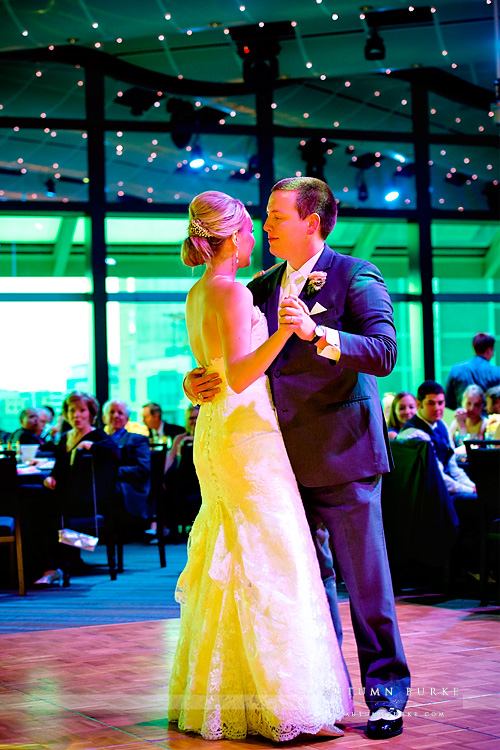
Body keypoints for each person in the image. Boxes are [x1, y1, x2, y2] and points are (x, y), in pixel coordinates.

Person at [183, 178, 410, 741]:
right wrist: (199, 380)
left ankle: (386, 696)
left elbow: (383, 353)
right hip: (273, 461)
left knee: (366, 585)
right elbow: (237, 358)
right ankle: (320, 693)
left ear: (312, 221)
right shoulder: (255, 285)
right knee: (307, 585)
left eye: (277, 217)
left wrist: (319, 332)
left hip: (342, 454)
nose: (265, 226)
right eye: (263, 217)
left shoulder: (356, 275)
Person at [168, 189, 352, 742]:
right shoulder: (226, 290)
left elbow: (212, 368)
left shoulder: (200, 292)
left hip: (221, 431)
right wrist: (286, 333)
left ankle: (231, 693)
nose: (258, 236)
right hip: (245, 436)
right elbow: (242, 373)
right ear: (233, 235)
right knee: (273, 555)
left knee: (234, 553)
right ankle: (285, 704)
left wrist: (194, 380)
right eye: (253, 227)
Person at [36, 391, 119, 585]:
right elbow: (58, 468)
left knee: (42, 513)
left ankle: (56, 566)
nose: (77, 415)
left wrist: (92, 446)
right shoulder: (66, 437)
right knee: (33, 502)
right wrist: (51, 478)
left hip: (87, 500)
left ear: (91, 413)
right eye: (72, 411)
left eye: (82, 410)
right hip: (65, 497)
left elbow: (115, 454)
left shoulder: (98, 436)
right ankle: (63, 562)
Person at [103, 399, 151, 520]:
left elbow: (142, 469)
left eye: (120, 413)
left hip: (130, 488)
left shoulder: (138, 440)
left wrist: (110, 473)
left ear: (127, 419)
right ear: (104, 418)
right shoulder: (99, 440)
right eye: (112, 412)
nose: (115, 416)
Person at [163, 404, 200, 540]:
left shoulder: (208, 436)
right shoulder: (180, 438)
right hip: (182, 479)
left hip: (199, 479)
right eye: (191, 418)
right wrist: (161, 477)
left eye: (197, 417)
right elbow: (170, 458)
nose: (194, 421)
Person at [445, 332, 500, 410]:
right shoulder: (497, 372)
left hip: (462, 419)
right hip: (489, 420)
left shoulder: (455, 370)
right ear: (489, 350)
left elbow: (448, 402)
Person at [448, 385, 487, 449]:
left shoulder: (485, 424)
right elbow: (449, 448)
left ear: (481, 406)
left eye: (476, 405)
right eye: (469, 403)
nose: (472, 408)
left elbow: (470, 450)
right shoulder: (455, 423)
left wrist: (462, 427)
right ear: (462, 402)